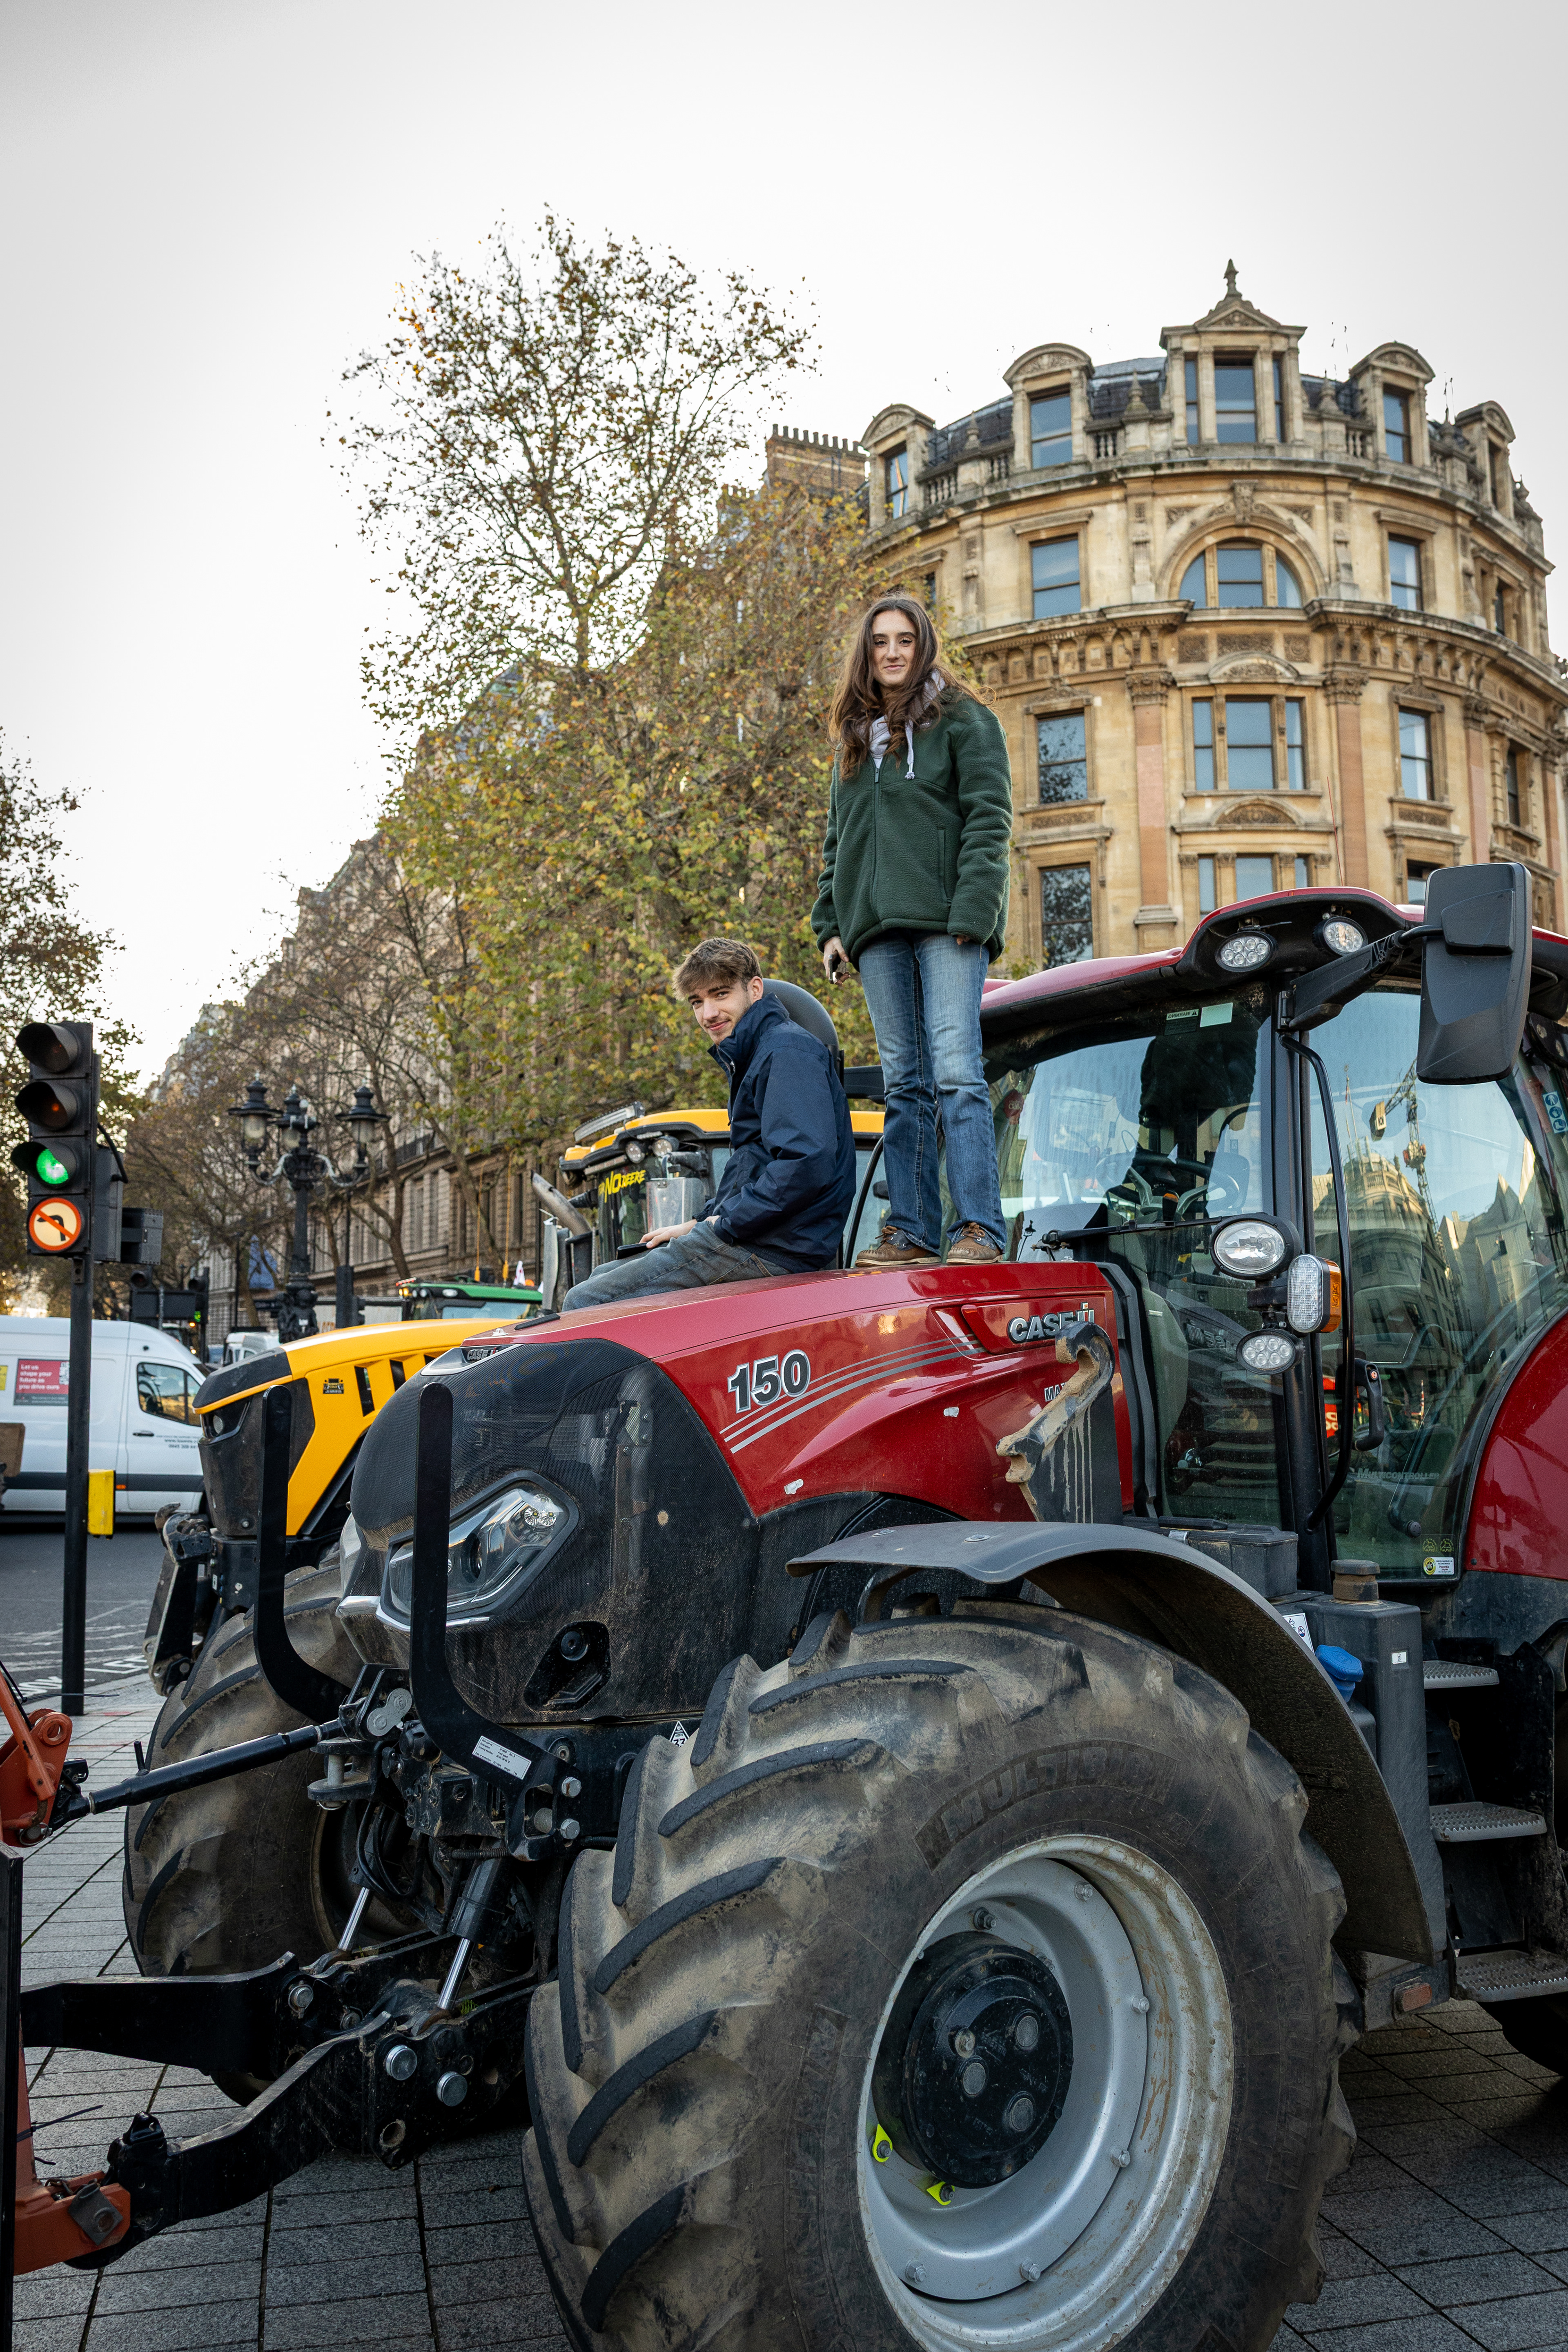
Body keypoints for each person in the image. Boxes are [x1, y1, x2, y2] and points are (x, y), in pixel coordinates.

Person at [812, 595, 1012, 1269]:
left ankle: (979, 1228)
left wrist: (975, 913)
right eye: (880, 642)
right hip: (875, 932)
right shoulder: (852, 740)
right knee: (904, 1083)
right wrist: (831, 926)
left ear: (922, 647)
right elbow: (837, 843)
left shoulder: (965, 719)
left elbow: (989, 818)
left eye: (904, 640)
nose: (892, 652)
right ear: (866, 654)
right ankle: (911, 1232)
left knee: (956, 1073)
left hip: (949, 924)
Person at [560, 938, 857, 1312]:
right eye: (697, 1002)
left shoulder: (786, 1052)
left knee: (587, 1301)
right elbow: (751, 1169)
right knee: (600, 1276)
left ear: (755, 989)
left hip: (778, 1248)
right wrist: (699, 1222)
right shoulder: (754, 1055)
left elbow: (804, 1164)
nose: (708, 1014)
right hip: (761, 1238)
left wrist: (721, 1225)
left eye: (720, 995)